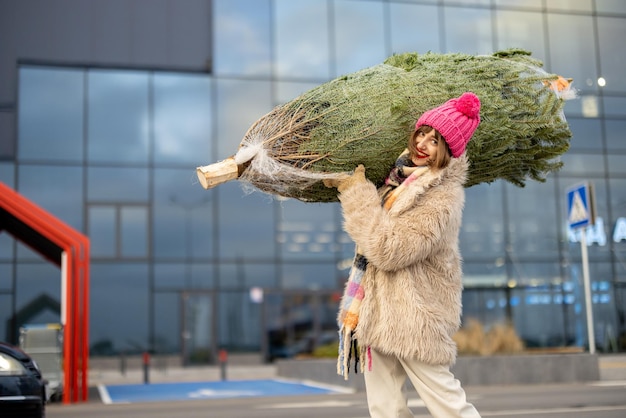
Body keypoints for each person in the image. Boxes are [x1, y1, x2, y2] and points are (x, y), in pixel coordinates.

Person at [324, 92, 482, 418]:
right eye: (422, 132)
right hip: (376, 311)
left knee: (450, 407)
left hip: (415, 316)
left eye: (436, 141)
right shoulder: (396, 181)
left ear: (449, 152)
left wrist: (355, 192)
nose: (424, 142)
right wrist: (348, 185)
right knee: (385, 410)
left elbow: (386, 250)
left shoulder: (442, 198)